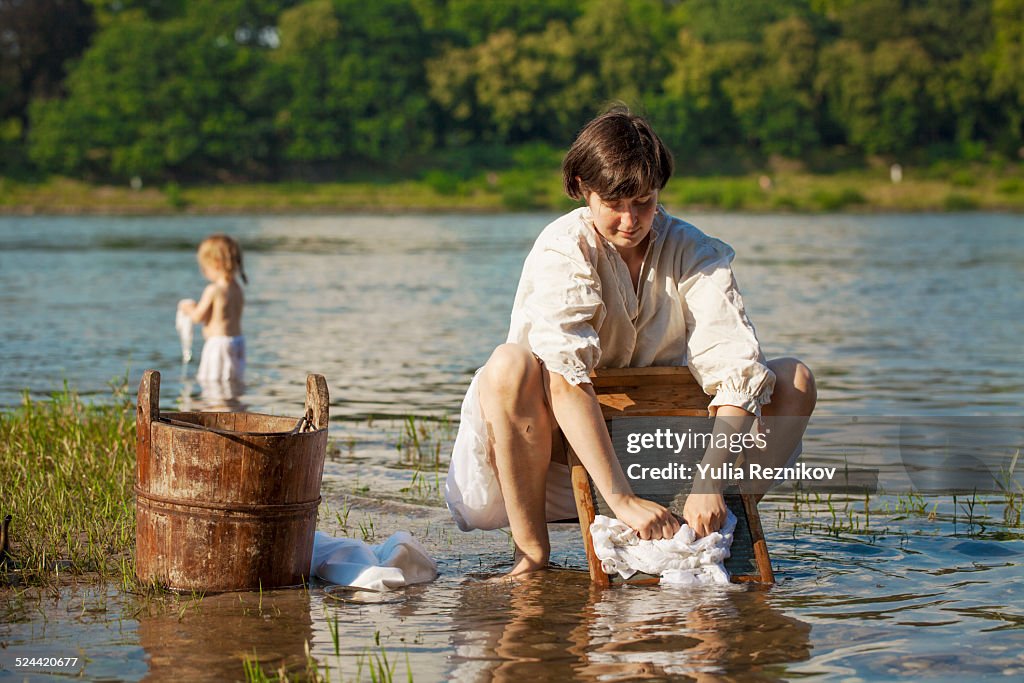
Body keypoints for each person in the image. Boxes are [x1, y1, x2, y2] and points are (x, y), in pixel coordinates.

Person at [444, 108, 816, 577]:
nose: (629, 220)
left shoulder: (693, 249)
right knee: (509, 366)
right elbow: (565, 380)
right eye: (614, 203)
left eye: (644, 201)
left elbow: (735, 364)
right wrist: (619, 499)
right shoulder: (564, 248)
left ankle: (699, 525)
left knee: (794, 379)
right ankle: (532, 555)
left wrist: (708, 483)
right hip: (551, 458)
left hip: (662, 451)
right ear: (582, 187)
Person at [178, 234, 247, 390]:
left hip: (219, 345)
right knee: (233, 383)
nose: (204, 272)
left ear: (216, 264)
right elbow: (223, 315)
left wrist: (186, 306)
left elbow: (197, 317)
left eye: (204, 267)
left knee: (213, 384)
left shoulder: (214, 289)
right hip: (238, 342)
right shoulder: (237, 288)